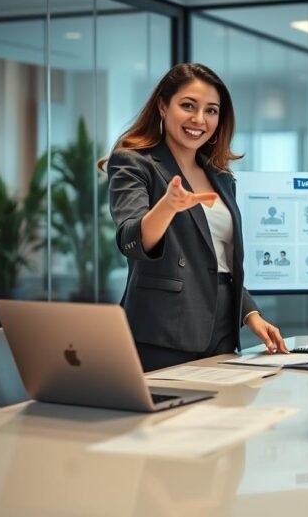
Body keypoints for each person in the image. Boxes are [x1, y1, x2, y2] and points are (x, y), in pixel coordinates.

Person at [105, 63, 288, 372]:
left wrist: (251, 315)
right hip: (161, 332)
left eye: (211, 110)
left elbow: (219, 262)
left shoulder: (220, 176)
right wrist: (168, 205)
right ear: (163, 106)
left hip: (221, 330)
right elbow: (131, 242)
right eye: (188, 105)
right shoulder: (133, 162)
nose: (199, 120)